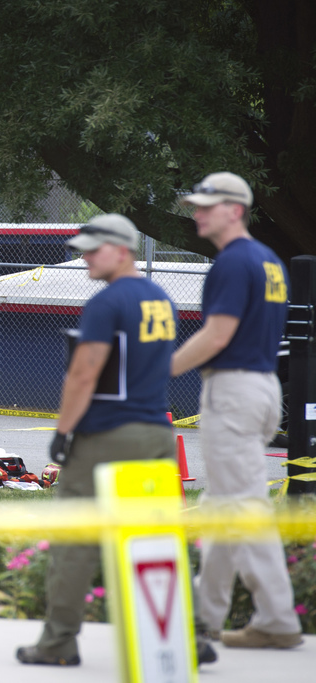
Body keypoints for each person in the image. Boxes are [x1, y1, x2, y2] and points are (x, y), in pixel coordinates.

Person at [16, 214, 211, 666]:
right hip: (156, 431)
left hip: (106, 435)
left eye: (93, 248)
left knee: (74, 540)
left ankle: (58, 642)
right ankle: (191, 634)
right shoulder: (161, 299)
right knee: (159, 537)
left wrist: (63, 432)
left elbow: (85, 373)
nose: (84, 255)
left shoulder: (107, 303)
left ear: (121, 250)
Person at [172, 172, 302, 649]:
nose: (197, 213)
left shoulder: (232, 262)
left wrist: (157, 369)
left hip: (233, 390)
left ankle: (278, 619)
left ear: (235, 209)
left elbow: (217, 335)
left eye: (207, 205)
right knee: (224, 507)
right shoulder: (269, 262)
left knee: (245, 508)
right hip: (264, 387)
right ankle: (204, 620)